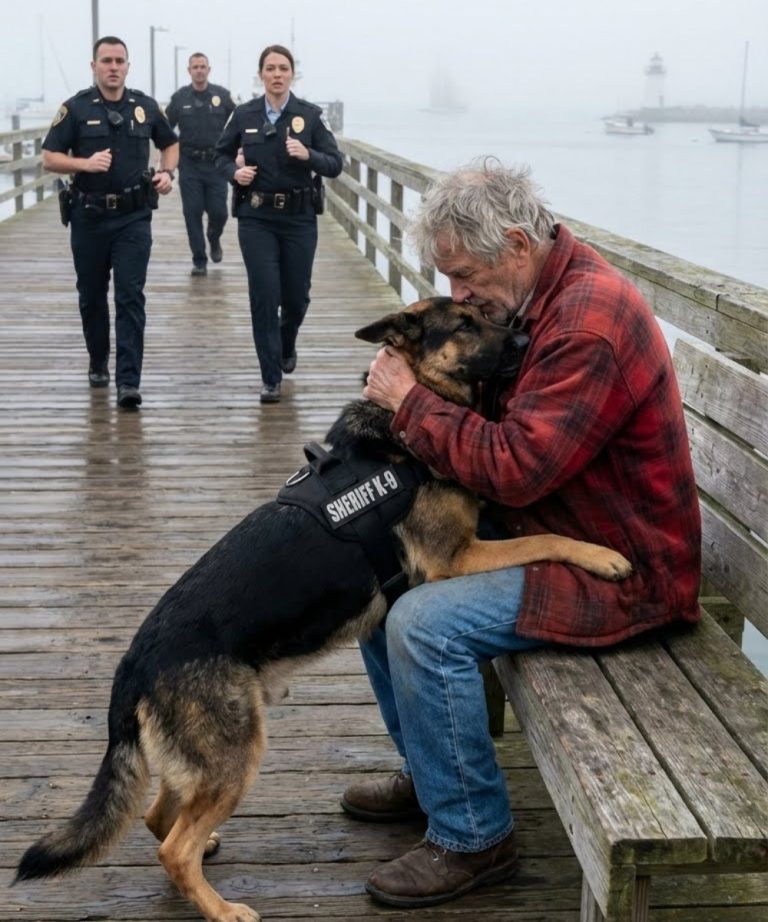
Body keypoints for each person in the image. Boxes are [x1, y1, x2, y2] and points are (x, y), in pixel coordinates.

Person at [342, 162, 702, 908]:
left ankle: (475, 837)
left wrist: (408, 403)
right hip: (558, 523)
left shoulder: (586, 323)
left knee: (422, 624)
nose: (460, 295)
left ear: (514, 242)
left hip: (625, 570)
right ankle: (429, 768)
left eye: (465, 278)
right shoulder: (537, 295)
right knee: (380, 581)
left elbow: (515, 469)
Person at [42, 35, 178, 409]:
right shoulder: (75, 108)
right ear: (94, 66)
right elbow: (49, 157)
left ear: (128, 66)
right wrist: (84, 164)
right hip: (89, 217)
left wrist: (168, 172)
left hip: (134, 218)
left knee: (130, 296)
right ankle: (98, 359)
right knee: (91, 297)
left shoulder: (145, 107)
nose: (113, 67)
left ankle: (128, 382)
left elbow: (170, 142)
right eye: (106, 61)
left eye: (119, 60)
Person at [215, 44, 342, 404]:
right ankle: (270, 377)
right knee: (264, 295)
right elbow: (220, 155)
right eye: (270, 68)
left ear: (292, 74)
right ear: (261, 75)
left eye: (283, 68)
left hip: (299, 219)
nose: (276, 74)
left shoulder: (310, 116)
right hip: (257, 218)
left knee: (296, 297)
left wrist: (309, 155)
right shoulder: (243, 115)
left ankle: (287, 342)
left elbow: (335, 163)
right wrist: (234, 172)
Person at [166, 53, 235, 276]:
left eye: (203, 66)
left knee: (220, 212)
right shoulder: (179, 99)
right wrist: (165, 163)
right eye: (195, 67)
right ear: (189, 70)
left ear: (209, 69)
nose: (199, 70)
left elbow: (237, 125)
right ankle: (199, 260)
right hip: (189, 164)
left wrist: (239, 152)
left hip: (216, 164)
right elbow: (165, 132)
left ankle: (213, 238)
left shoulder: (222, 97)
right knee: (192, 212)